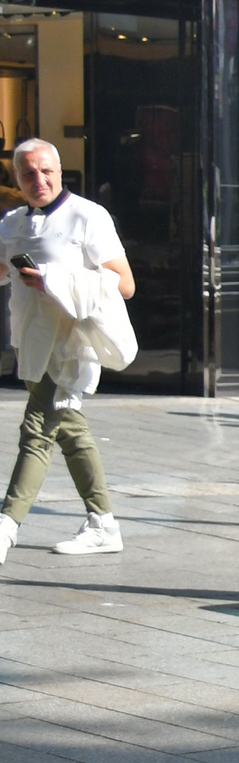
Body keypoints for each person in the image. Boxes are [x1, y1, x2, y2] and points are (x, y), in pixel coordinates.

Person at [0, 138, 133, 562]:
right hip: (33, 343)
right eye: (28, 173)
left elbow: (124, 284)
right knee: (72, 433)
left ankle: (6, 526)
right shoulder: (12, 223)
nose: (38, 180)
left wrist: (56, 280)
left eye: (46, 171)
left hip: (72, 347)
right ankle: (103, 524)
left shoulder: (89, 216)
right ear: (17, 178)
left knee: (37, 430)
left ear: (60, 172)